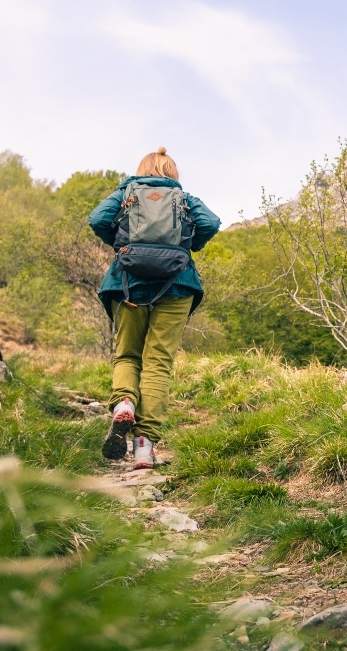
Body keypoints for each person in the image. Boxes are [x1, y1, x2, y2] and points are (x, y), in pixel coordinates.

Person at [88, 148, 221, 469]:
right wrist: (185, 247)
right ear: (171, 172)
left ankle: (124, 403)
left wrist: (123, 246)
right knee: (158, 362)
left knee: (127, 355)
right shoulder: (184, 197)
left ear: (143, 169)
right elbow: (211, 223)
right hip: (177, 282)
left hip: (128, 282)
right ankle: (145, 448)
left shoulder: (126, 192)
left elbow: (97, 220)